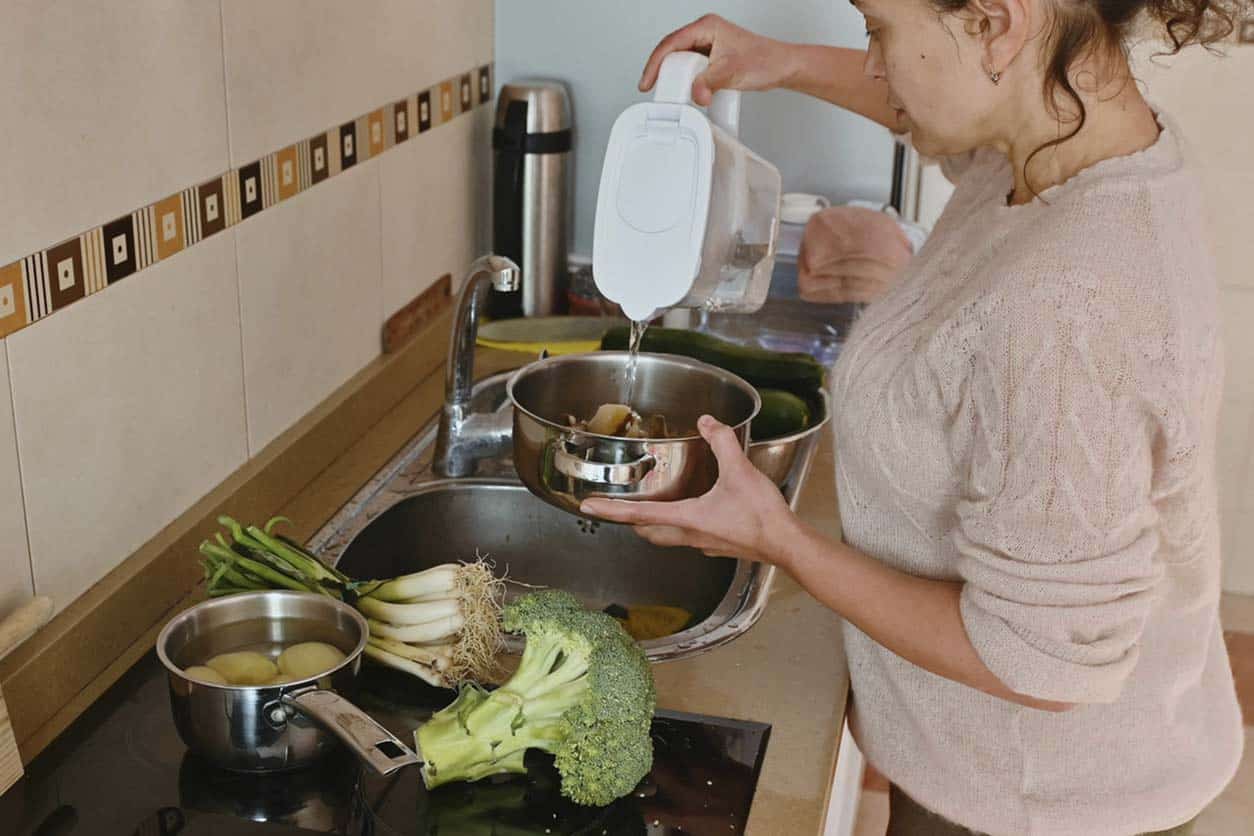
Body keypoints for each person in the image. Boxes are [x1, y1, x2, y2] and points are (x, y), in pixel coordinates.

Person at [581, 3, 1249, 834]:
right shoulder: (1064, 142)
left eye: (877, 28)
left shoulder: (1071, 303)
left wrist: (775, 537)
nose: (876, 63)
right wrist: (775, 60)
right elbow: (936, 111)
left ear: (995, 26)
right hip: (999, 765)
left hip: (1043, 801)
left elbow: (1042, 662)